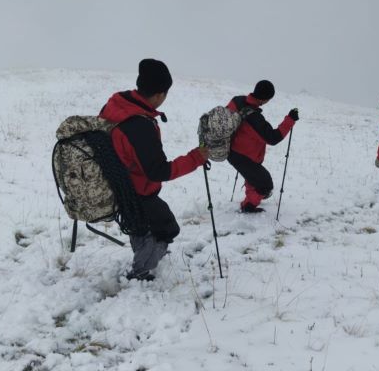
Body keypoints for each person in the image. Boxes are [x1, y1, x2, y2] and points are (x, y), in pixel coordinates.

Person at [100, 59, 209, 280]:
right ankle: (142, 270)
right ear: (160, 94)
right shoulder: (139, 125)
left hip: (118, 182)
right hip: (137, 191)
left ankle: (143, 253)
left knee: (140, 225)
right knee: (167, 229)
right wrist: (196, 157)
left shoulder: (116, 105)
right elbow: (158, 171)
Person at [226, 80, 298, 213]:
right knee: (265, 185)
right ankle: (248, 206)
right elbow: (273, 137)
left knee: (253, 177)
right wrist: (290, 120)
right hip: (242, 156)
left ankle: (250, 197)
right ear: (265, 99)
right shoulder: (254, 118)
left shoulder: (237, 101)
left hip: (232, 150)